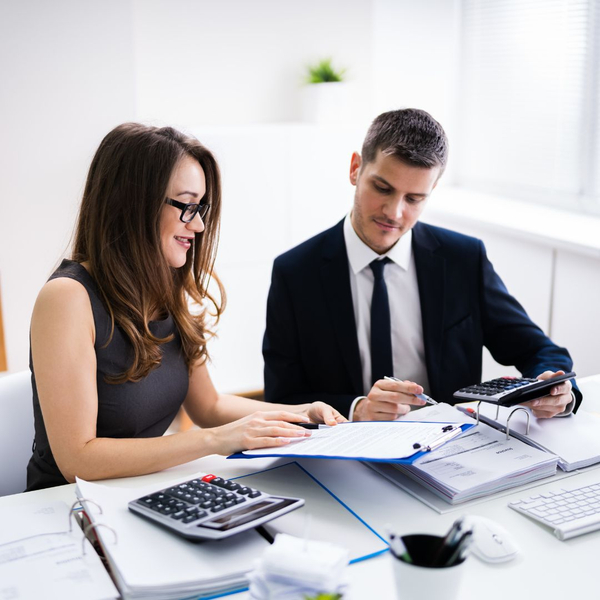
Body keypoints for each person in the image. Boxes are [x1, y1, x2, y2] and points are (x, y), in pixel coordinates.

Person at [27, 123, 345, 491]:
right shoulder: (67, 299)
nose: (199, 224)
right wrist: (214, 440)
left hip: (136, 492)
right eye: (187, 206)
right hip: (67, 508)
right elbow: (77, 459)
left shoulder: (165, 289)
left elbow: (208, 407)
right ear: (132, 203)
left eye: (202, 208)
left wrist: (302, 413)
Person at [263, 108, 582, 421]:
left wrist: (555, 391)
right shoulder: (295, 273)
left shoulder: (464, 258)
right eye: (382, 188)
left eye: (414, 199)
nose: (394, 212)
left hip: (448, 451)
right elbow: (282, 397)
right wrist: (356, 409)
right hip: (341, 453)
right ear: (355, 169)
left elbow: (539, 350)